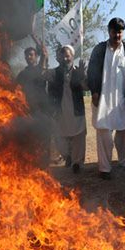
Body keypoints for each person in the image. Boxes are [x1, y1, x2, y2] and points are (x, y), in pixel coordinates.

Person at [87, 17, 125, 180]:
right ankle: (105, 168)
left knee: (123, 131)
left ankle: (124, 164)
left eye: (120, 31)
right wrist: (94, 91)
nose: (117, 34)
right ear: (109, 31)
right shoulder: (100, 49)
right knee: (103, 132)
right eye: (114, 31)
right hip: (102, 99)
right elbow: (92, 71)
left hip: (121, 99)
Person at [46, 45, 87, 173]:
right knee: (59, 136)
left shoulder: (77, 71)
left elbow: (86, 87)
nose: (65, 58)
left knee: (79, 136)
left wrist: (82, 76)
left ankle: (77, 163)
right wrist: (44, 57)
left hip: (76, 109)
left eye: (67, 56)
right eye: (62, 56)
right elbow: (45, 80)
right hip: (60, 109)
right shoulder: (54, 72)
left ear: (72, 57)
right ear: (59, 58)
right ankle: (67, 156)